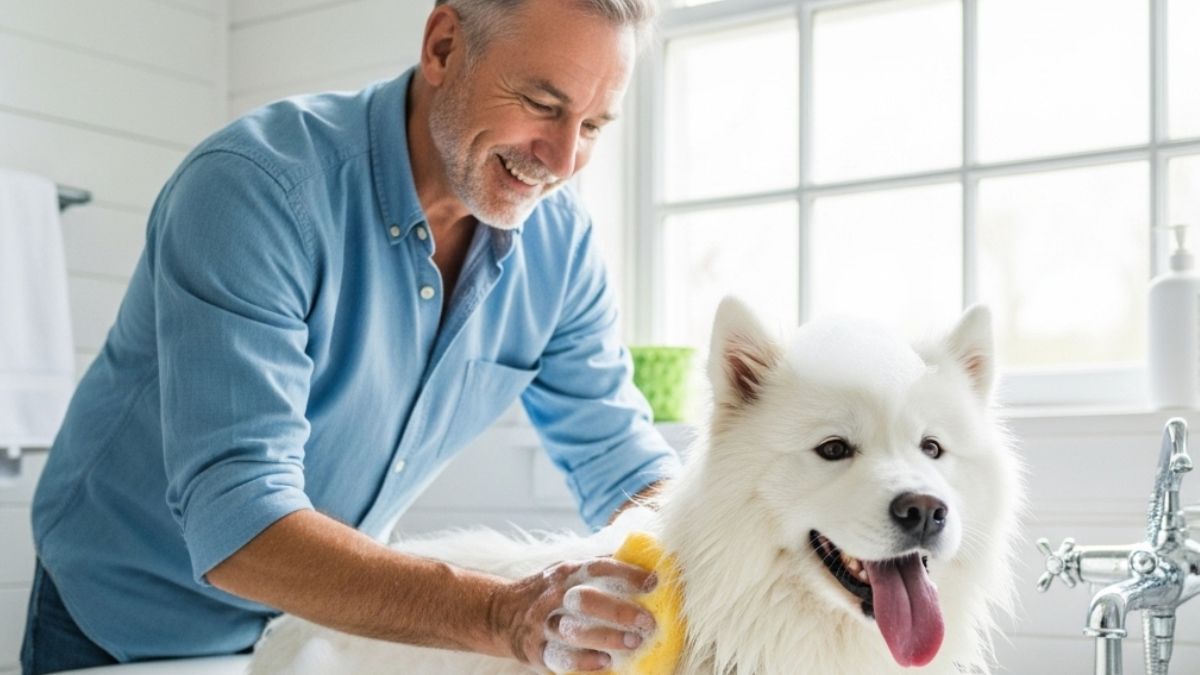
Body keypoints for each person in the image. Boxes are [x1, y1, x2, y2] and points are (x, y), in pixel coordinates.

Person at [20, 0, 681, 673]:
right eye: (542, 103)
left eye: (593, 125)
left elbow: (622, 464)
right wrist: (499, 614)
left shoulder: (561, 244)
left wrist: (711, 558)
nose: (564, 159)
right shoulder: (255, 189)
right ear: (445, 46)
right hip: (129, 619)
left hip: (321, 629)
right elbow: (240, 521)